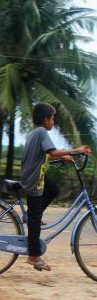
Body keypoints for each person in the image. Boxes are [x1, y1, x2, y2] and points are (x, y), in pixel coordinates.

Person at [20, 102, 91, 271]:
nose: (54, 122)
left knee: (53, 189)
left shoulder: (34, 133)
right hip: (33, 181)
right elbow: (52, 152)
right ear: (45, 120)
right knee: (35, 220)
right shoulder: (42, 132)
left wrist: (64, 157)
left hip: (32, 177)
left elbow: (45, 154)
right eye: (53, 119)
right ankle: (34, 256)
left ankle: (29, 215)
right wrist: (75, 150)